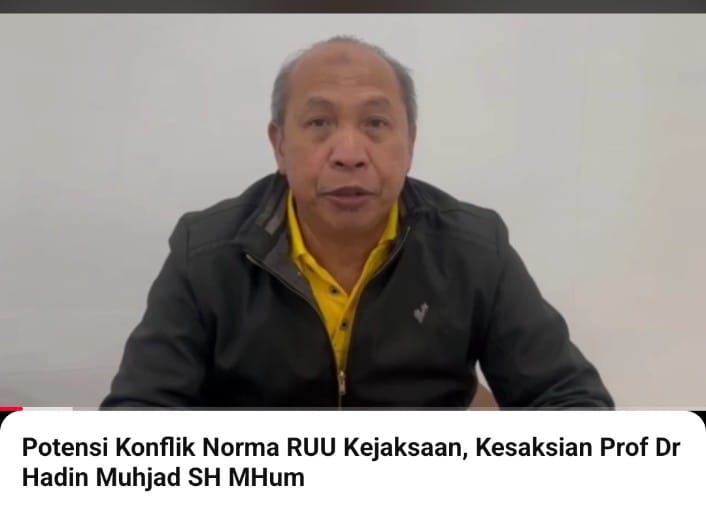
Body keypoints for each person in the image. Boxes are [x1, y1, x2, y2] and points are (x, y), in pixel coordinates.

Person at [102, 36, 613, 409]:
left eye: (375, 123)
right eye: (319, 123)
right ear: (279, 146)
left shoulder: (474, 249)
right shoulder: (205, 254)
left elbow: (573, 403)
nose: (349, 152)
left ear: (410, 143)